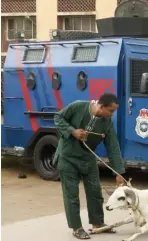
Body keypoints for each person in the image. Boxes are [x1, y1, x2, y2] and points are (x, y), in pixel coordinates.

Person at [53, 93, 127, 239]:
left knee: (95, 192)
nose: (112, 114)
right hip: (68, 157)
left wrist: (118, 172)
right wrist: (72, 131)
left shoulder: (107, 123)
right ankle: (77, 227)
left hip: (88, 158)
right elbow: (57, 117)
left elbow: (113, 147)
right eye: (111, 110)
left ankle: (98, 223)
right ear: (101, 105)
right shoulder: (78, 106)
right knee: (72, 195)